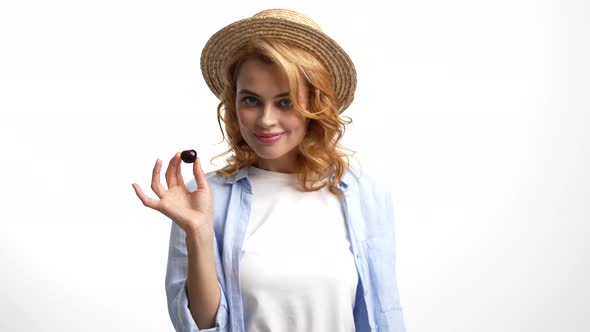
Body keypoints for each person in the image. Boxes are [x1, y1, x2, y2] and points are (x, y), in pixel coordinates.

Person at [132, 8, 405, 332]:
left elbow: (382, 313)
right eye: (250, 100)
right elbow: (201, 327)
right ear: (233, 102)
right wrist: (198, 232)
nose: (265, 119)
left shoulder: (364, 193)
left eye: (285, 102)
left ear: (315, 106)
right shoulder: (205, 198)